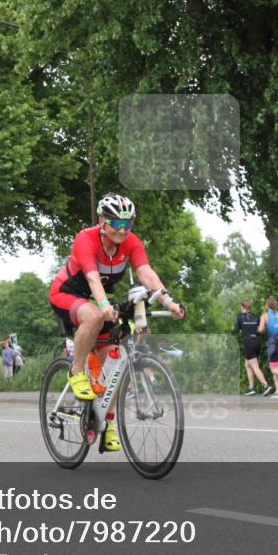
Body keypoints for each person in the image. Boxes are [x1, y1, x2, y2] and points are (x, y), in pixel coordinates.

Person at [48, 193, 185, 451]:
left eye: (128, 224)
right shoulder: (85, 239)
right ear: (102, 221)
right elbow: (92, 278)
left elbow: (145, 273)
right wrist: (103, 306)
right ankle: (76, 371)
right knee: (95, 315)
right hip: (66, 294)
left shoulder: (131, 242)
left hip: (98, 299)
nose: (123, 230)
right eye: (117, 223)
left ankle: (106, 422)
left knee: (116, 362)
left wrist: (169, 302)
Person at [234, 300, 272, 396]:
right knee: (248, 365)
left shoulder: (240, 317)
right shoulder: (256, 317)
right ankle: (251, 388)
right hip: (257, 342)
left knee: (254, 366)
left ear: (242, 307)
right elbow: (262, 329)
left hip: (248, 343)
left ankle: (266, 385)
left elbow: (235, 331)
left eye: (240, 307)